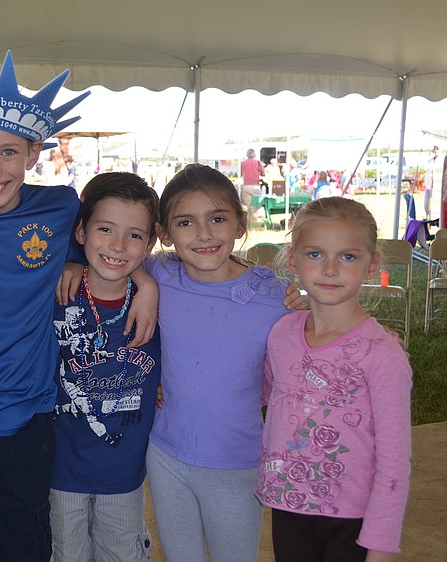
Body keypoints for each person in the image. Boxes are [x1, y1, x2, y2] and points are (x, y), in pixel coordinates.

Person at [0, 51, 155, 562]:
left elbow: (110, 248)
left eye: (9, 152)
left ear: (34, 152)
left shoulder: (60, 207)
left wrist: (144, 282)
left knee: (23, 539)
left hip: (27, 414)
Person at [144, 164, 293, 562]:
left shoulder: (277, 298)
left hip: (236, 463)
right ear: (164, 233)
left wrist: (377, 337)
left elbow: (329, 330)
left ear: (240, 224)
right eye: (186, 222)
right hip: (165, 455)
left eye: (217, 219)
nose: (204, 234)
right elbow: (108, 258)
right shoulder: (158, 273)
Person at [257, 197, 412, 562]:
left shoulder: (382, 354)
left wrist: (381, 547)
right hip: (288, 506)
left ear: (372, 264)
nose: (329, 269)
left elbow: (394, 461)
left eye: (347, 256)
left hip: (352, 519)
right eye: (315, 254)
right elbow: (265, 396)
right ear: (292, 259)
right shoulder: (281, 334)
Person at [50, 172, 161, 562]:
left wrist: (148, 286)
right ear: (81, 231)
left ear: (150, 243)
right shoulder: (55, 291)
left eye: (134, 235)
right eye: (105, 229)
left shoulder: (160, 300)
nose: (118, 245)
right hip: (59, 469)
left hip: (123, 473)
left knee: (122, 553)